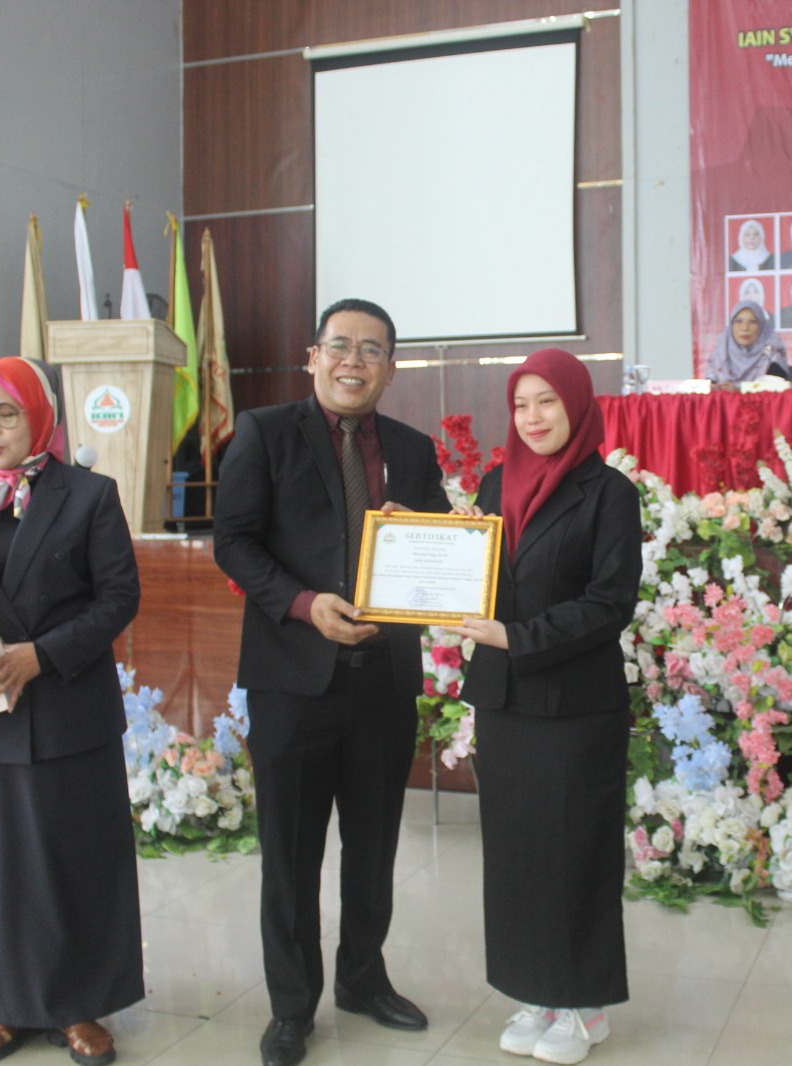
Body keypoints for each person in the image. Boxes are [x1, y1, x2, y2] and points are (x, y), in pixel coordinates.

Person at [213, 299, 449, 1066]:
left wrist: (424, 534)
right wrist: (304, 604)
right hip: (292, 681)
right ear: (313, 357)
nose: (354, 360)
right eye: (340, 345)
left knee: (373, 847)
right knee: (290, 855)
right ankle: (291, 1007)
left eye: (372, 350)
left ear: (391, 368)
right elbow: (233, 542)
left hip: (383, 680)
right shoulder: (264, 433)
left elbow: (445, 548)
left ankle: (362, 979)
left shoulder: (412, 449)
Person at [0, 356, 141, 1066]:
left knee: (76, 859)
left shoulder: (90, 495)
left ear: (40, 416)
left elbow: (119, 597)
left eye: (7, 414)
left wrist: (40, 656)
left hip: (67, 707)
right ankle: (5, 1005)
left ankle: (81, 1005)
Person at [453, 348, 642, 1066]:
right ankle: (536, 993)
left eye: (547, 402)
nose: (532, 418)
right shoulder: (495, 482)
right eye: (521, 404)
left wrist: (517, 637)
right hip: (505, 700)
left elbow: (609, 603)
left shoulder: (609, 492)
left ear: (577, 405)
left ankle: (584, 1006)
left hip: (575, 703)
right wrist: (430, 547)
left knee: (574, 852)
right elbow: (481, 575)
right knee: (516, 853)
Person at [707, 301, 792, 383]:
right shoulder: (721, 353)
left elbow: (775, 388)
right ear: (731, 325)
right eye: (738, 321)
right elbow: (709, 387)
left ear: (761, 326)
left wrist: (737, 389)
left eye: (752, 321)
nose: (745, 328)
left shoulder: (772, 352)